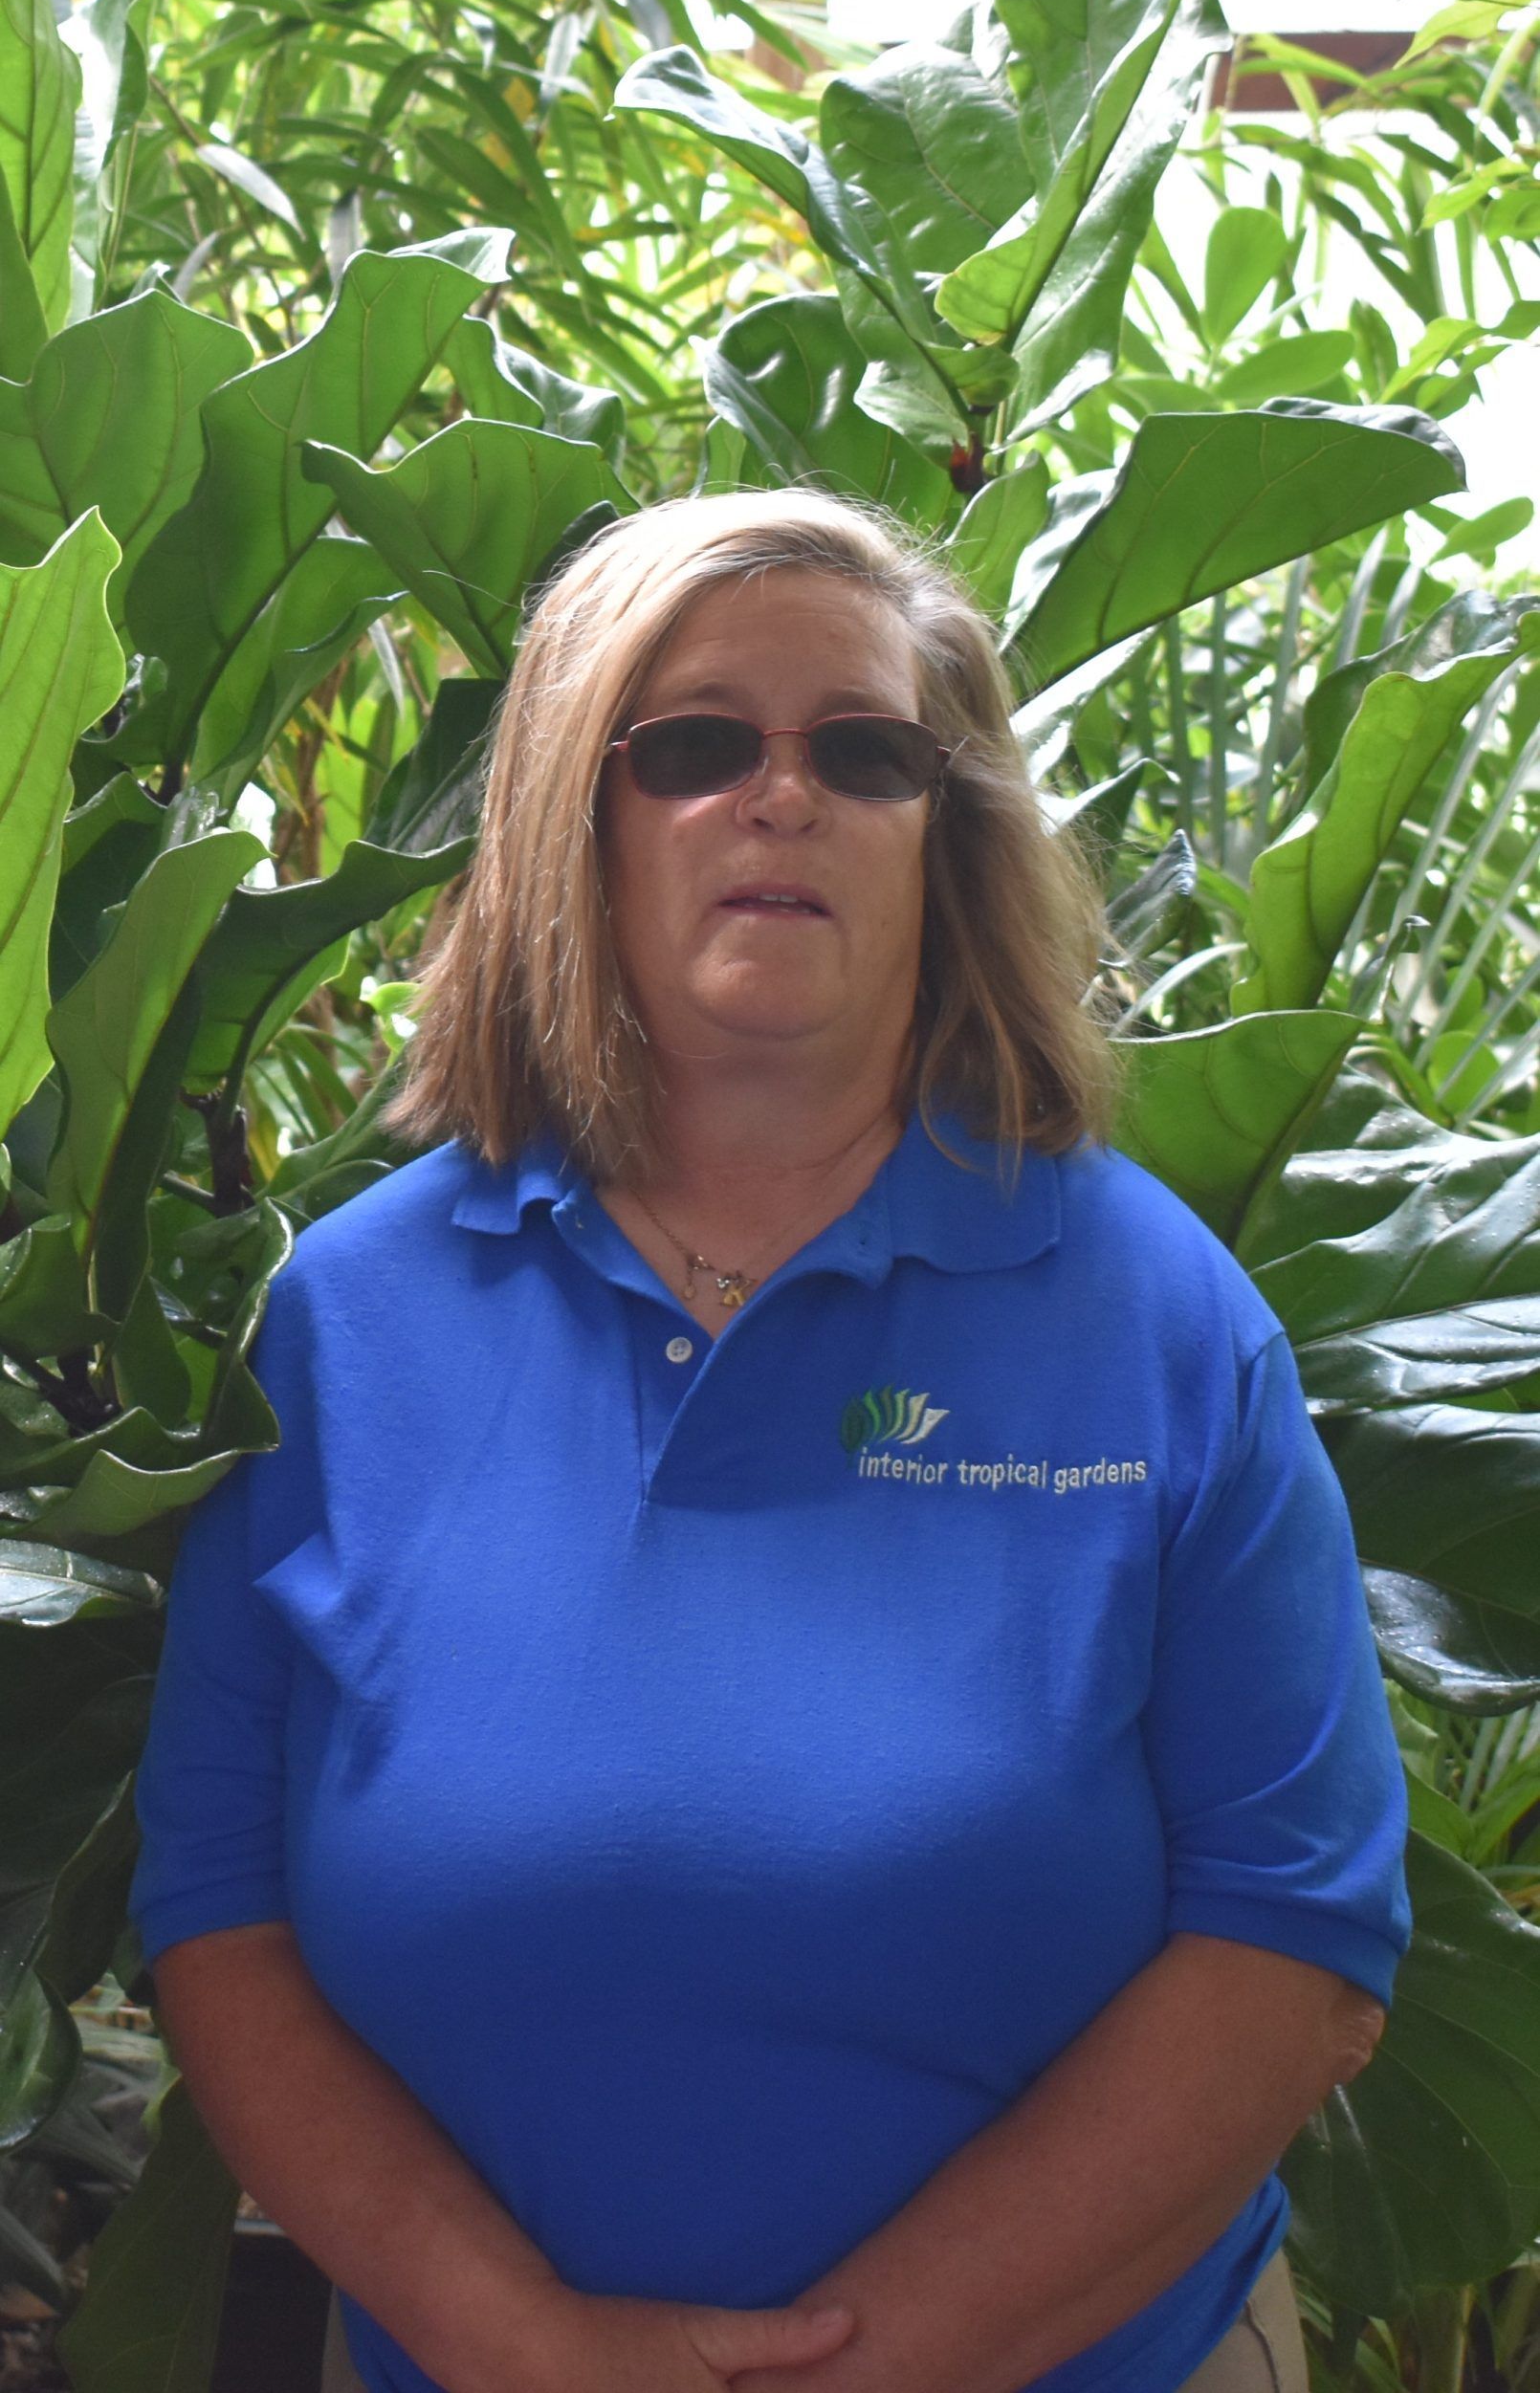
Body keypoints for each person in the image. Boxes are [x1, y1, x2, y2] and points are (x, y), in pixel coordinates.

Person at [129, 485, 1411, 2393]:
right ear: (580, 810)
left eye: (865, 751)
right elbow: (215, 1900)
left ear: (943, 832)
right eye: (700, 744)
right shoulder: (346, 1320)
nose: (781, 795)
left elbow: (1294, 1933)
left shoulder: (1154, 1313)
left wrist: (864, 2357)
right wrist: (514, 2336)